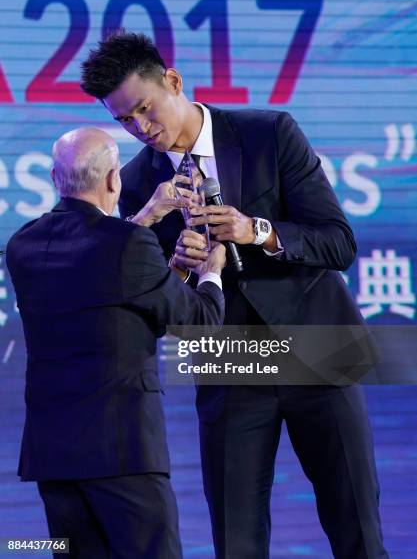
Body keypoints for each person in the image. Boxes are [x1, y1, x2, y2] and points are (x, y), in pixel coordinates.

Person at [80, 32, 388, 559]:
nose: (141, 128)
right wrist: (179, 270)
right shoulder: (136, 187)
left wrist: (257, 231)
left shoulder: (268, 132)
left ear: (173, 81)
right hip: (229, 364)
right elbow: (153, 307)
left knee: (356, 526)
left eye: (145, 110)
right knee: (236, 539)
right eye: (124, 121)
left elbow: (339, 243)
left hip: (317, 349)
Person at [6, 127, 226, 559]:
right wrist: (210, 272)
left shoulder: (22, 245)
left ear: (54, 178)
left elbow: (99, 271)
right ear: (113, 180)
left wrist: (146, 222)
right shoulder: (128, 246)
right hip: (123, 453)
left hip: (54, 457)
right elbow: (203, 321)